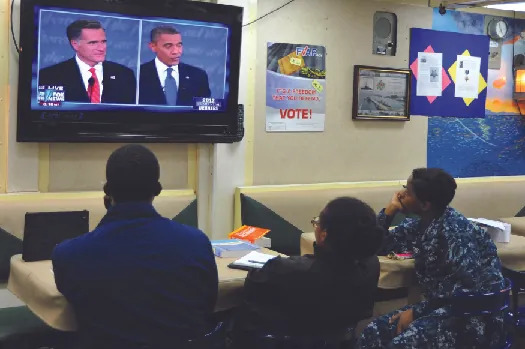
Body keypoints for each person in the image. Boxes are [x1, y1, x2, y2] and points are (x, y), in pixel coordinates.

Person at [51, 144, 218, 349]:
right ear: (157, 189)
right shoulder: (197, 243)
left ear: (107, 191)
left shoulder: (68, 255)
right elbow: (208, 305)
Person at [358, 168, 506, 348]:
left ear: (425, 204)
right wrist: (390, 212)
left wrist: (416, 312)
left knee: (402, 344)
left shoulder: (455, 233)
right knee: (373, 332)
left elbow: (465, 292)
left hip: (474, 318)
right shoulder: (423, 223)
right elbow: (379, 245)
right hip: (439, 309)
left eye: (408, 192)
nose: (401, 194)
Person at [234, 197, 384, 347]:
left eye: (317, 222)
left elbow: (252, 289)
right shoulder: (371, 267)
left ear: (324, 234)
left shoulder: (287, 271)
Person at [39, 20, 136, 104]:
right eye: (93, 43)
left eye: (103, 42)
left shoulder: (125, 75)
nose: (101, 48)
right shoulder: (50, 76)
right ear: (75, 44)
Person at [139, 25, 211, 106]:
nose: (176, 51)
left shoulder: (198, 75)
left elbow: (205, 109)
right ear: (153, 46)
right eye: (168, 46)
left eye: (179, 45)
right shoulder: (138, 74)